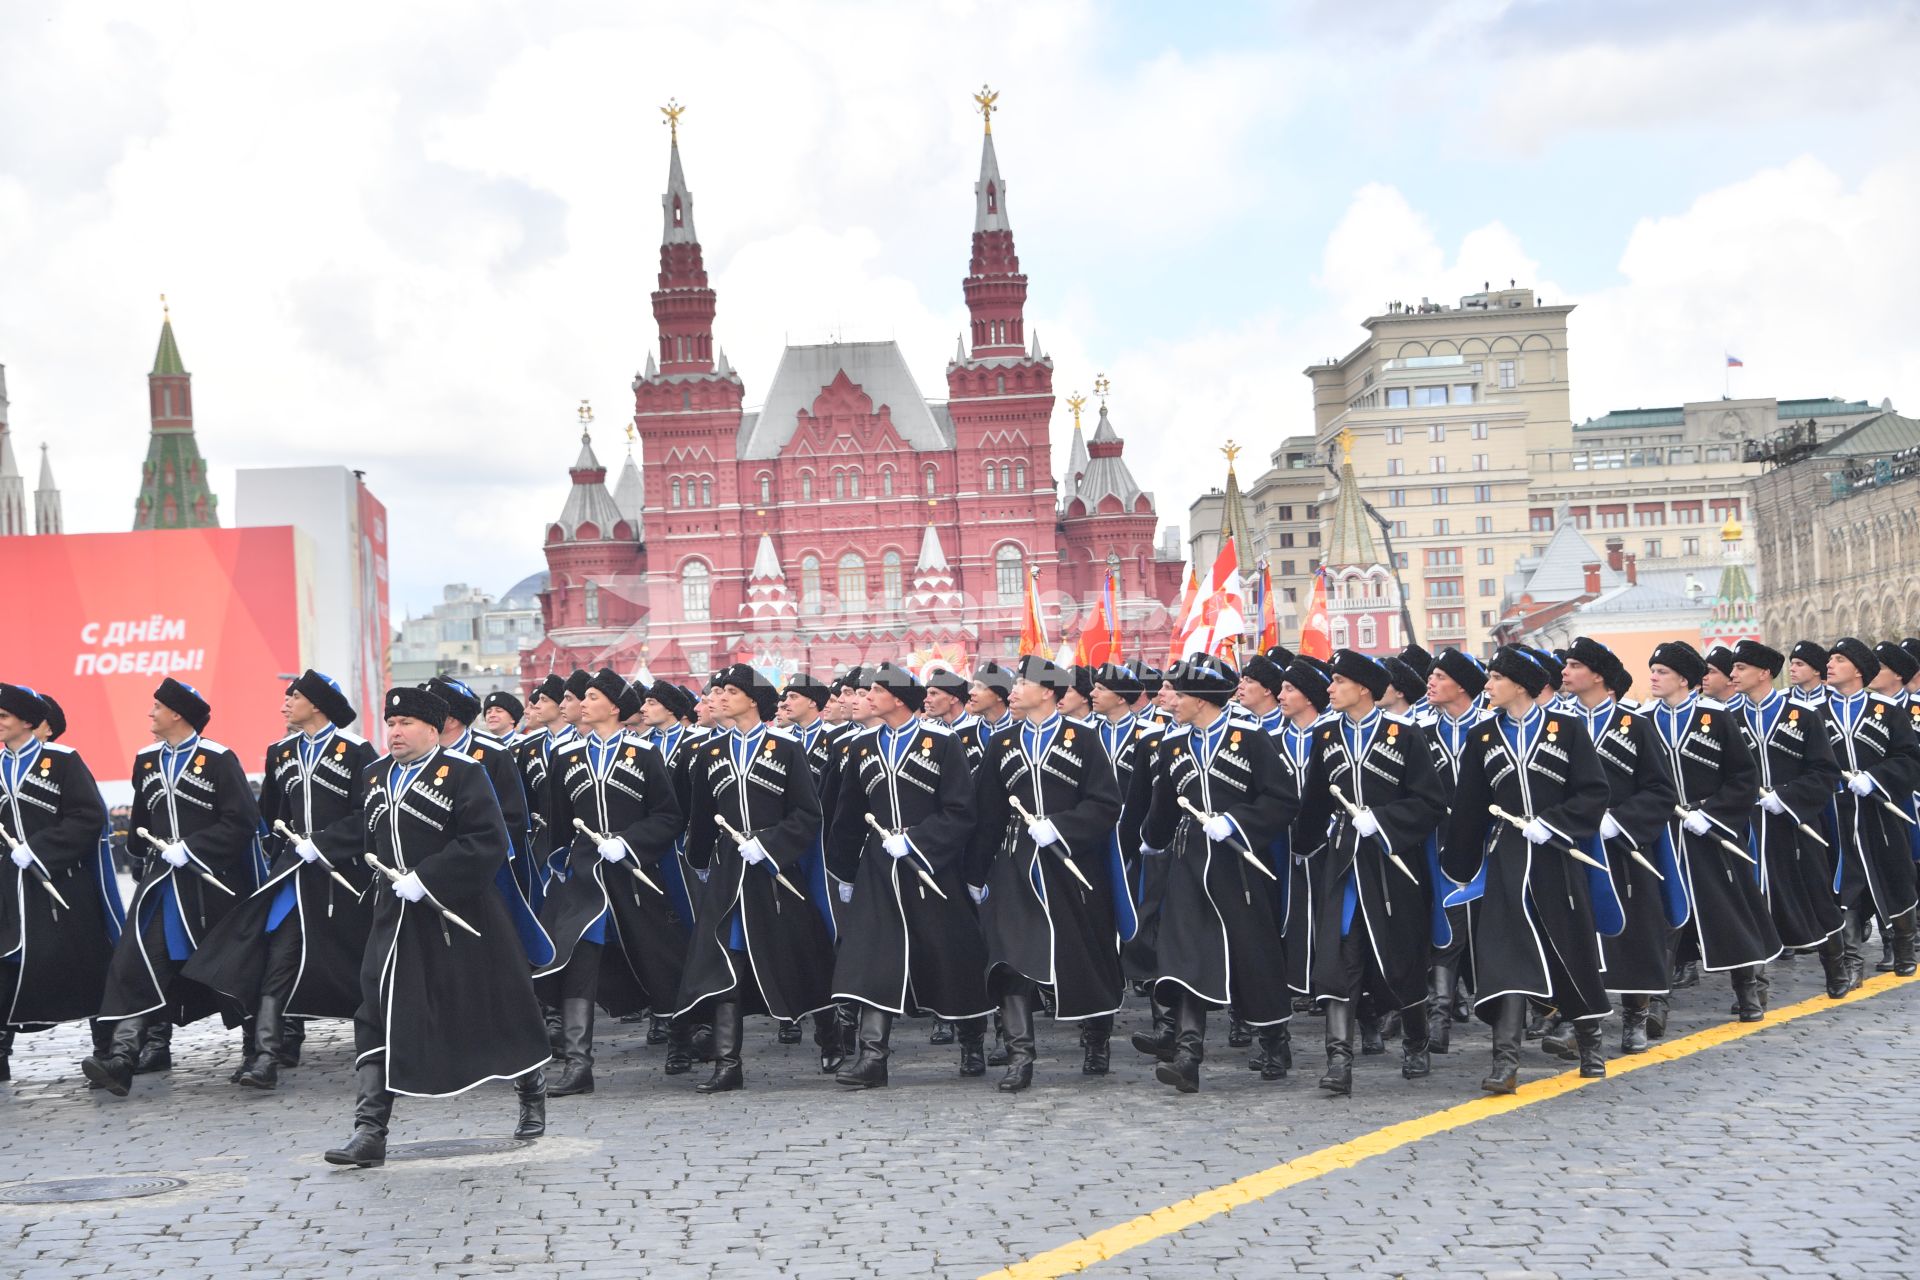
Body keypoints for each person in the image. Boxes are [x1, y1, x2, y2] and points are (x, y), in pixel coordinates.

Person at [322, 685, 551, 1167]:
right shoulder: (374, 776)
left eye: (405, 724)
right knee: (377, 1009)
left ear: (432, 728)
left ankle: (531, 1087)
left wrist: (428, 878)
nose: (395, 732)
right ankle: (370, 1130)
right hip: (395, 916)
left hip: (461, 912)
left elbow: (488, 841)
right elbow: (370, 838)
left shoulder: (466, 773)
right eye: (390, 723)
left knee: (496, 1004)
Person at [183, 670, 378, 1089]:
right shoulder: (280, 752)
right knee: (278, 958)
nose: (286, 704)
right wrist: (284, 856)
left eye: (295, 697)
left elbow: (370, 816)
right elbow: (272, 815)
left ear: (318, 705)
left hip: (343, 877)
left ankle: (384, 1040)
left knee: (361, 962)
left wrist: (325, 843)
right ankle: (267, 1055)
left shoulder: (356, 750)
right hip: (293, 876)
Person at [1441, 647, 1621, 1089]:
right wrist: (1458, 866)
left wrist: (1555, 825)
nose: (1488, 686)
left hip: (1556, 860)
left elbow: (1594, 792)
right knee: (1506, 956)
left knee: (1569, 952)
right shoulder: (1482, 737)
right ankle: (1505, 1061)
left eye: (1495, 678)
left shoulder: (1568, 730)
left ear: (1520, 684)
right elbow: (1469, 809)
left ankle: (1590, 1043)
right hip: (1506, 862)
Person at [83, 679, 262, 1096]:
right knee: (140, 963)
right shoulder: (146, 760)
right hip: (164, 886)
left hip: (211, 888)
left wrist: (195, 848)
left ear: (178, 714)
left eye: (157, 707)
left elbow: (242, 821)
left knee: (232, 969)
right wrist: (142, 848)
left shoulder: (218, 759)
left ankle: (258, 1052)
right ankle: (123, 1059)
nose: (150, 714)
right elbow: (142, 822)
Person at [1135, 655, 1299, 1093]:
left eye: (1179, 694)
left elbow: (1283, 800)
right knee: (1189, 955)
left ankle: (1273, 1038)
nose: (1170, 702)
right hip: (1189, 864)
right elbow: (1163, 807)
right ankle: (1189, 1056)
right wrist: (1149, 841)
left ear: (1201, 699)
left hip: (1239, 863)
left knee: (1252, 955)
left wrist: (1238, 821)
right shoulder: (1173, 746)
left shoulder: (1251, 739)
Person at [825, 664, 992, 1087]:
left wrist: (918, 841)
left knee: (951, 954)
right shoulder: (862, 746)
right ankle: (873, 1056)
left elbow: (960, 810)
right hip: (879, 870)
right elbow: (846, 816)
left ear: (898, 698)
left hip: (932, 867)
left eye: (876, 690)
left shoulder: (942, 742)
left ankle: (972, 1040)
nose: (867, 695)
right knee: (872, 957)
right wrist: (844, 872)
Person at [966, 655, 1127, 1092]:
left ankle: (1096, 1037)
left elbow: (1106, 804)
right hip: (1016, 864)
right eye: (1015, 682)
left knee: (1085, 955)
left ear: (1049, 692)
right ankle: (1021, 1055)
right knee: (1009, 957)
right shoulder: (1003, 743)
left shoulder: (1084, 739)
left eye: (1023, 683)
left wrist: (1060, 826)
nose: (1014, 689)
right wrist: (975, 874)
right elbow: (987, 815)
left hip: (1070, 865)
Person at [1291, 651, 1448, 1096]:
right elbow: (1314, 802)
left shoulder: (1404, 735)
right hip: (1343, 865)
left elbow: (1431, 802)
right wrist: (1301, 848)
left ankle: (1416, 1041)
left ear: (1362, 688)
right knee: (1340, 959)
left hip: (1392, 866)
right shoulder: (1327, 736)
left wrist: (1382, 819)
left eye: (1337, 681)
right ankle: (1338, 1060)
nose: (1329, 688)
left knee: (1401, 958)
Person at [672, 664, 834, 1094]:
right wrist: (701, 861)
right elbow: (701, 817)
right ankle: (728, 1062)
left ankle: (831, 1031)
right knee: (726, 960)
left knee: (801, 954)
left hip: (774, 873)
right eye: (718, 691)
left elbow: (807, 813)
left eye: (730, 691)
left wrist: (770, 845)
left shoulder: (785, 748)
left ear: (753, 699)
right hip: (728, 875)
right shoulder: (709, 752)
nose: (720, 697)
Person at [534, 669, 686, 1095]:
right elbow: (559, 825)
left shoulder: (644, 754)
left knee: (658, 958)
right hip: (585, 878)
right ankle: (579, 1064)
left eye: (593, 696)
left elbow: (669, 816)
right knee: (577, 962)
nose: (583, 702)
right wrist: (561, 864)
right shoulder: (566, 757)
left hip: (632, 873)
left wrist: (630, 843)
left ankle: (680, 1036)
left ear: (615, 707)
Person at [1560, 638, 1683, 1051]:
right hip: (1572, 845)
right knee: (1575, 931)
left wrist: (1621, 821)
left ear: (1598, 675)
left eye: (1575, 665)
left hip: (1623, 846)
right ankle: (1574, 1017)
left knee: (1636, 933)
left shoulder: (1635, 726)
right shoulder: (1555, 724)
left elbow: (1660, 791)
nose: (1565, 671)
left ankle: (1636, 1014)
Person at [1645, 641, 1778, 1022]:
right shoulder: (1641, 720)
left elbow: (1743, 777)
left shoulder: (1717, 717)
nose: (1653, 677)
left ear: (1684, 679)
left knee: (1728, 910)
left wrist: (1711, 813)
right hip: (1664, 834)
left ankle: (1748, 988)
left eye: (1662, 672)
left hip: (1710, 831)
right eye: (1653, 670)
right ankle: (1657, 1002)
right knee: (1664, 916)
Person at [0, 684, 119, 1082]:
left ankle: (108, 1052)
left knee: (84, 963)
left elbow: (88, 816)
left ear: (29, 722)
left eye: (3, 716)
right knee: (5, 968)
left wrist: (40, 849)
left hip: (60, 886)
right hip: (8, 890)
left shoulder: (63, 760)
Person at [1727, 641, 1846, 998]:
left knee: (1814, 894)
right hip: (1748, 825)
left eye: (1741, 668)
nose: (1733, 675)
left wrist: (1788, 797)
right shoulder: (1729, 720)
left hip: (1795, 823)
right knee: (1748, 900)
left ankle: (1836, 963)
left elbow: (1825, 771)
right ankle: (1752, 988)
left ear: (1763, 673)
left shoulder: (1804, 716)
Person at [424, 676, 554, 970]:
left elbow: (514, 818)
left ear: (453, 717)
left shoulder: (493, 753)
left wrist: (476, 856)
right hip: (434, 866)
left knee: (499, 942)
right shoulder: (422, 755)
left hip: (488, 868)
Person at [1824, 639, 1920, 983]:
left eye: (1839, 659)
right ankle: (1851, 960)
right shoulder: (1817, 714)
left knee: (1895, 875)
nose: (1830, 664)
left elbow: (1909, 758)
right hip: (1838, 812)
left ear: (1858, 670)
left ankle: (1904, 942)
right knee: (1846, 883)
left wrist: (1876, 779)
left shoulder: (1887, 709)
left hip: (1882, 809)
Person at [1414, 647, 1491, 1054]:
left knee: (1496, 928)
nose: (1431, 683)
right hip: (1440, 843)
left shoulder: (1492, 727)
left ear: (1461, 685)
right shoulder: (1423, 732)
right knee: (1446, 928)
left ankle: (1532, 1009)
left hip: (1491, 843)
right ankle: (1439, 1014)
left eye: (1440, 676)